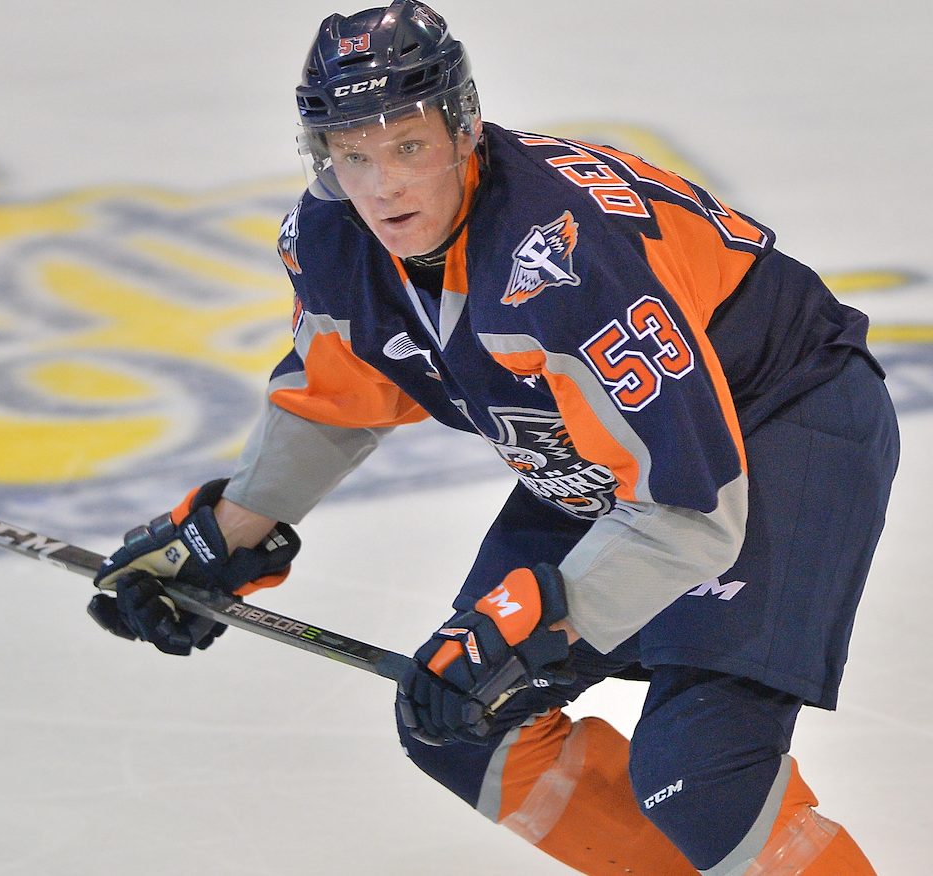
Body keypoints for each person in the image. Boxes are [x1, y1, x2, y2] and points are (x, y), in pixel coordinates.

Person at [87, 3, 900, 873]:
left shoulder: (563, 257)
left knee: (700, 773)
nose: (384, 185)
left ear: (465, 127)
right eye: (352, 154)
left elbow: (687, 507)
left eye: (409, 146)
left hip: (776, 423)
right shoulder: (333, 236)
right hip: (611, 454)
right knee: (459, 723)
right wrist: (234, 529)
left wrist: (535, 624)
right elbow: (343, 391)